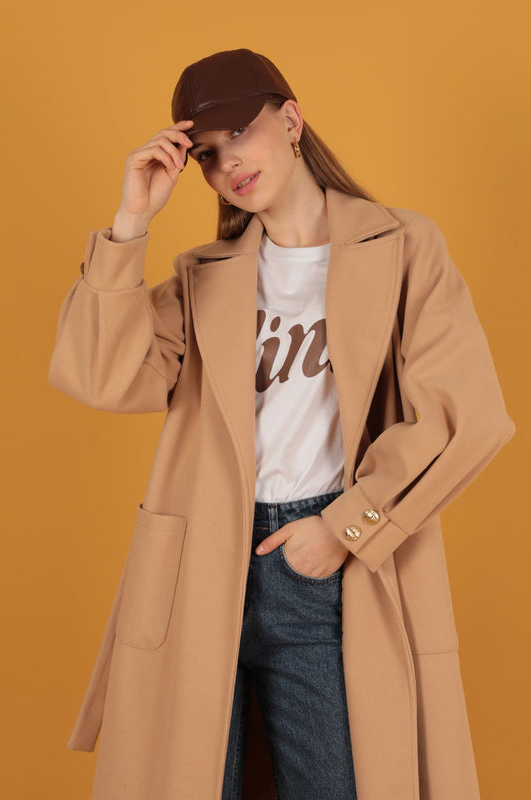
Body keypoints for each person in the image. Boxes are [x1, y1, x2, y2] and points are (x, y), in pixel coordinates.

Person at [48, 48, 515, 800]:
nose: (227, 161)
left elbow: (466, 415)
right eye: (207, 152)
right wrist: (131, 223)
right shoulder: (202, 276)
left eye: (239, 133)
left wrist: (345, 527)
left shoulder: (401, 246)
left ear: (291, 121)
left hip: (324, 566)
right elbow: (98, 376)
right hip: (200, 570)